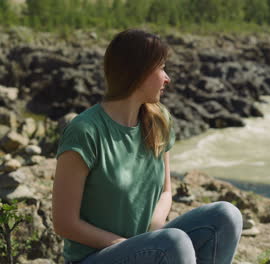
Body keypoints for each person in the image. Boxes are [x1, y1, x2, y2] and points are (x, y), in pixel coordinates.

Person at [52, 28, 243, 264]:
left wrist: (150, 239)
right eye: (161, 67)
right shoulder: (85, 131)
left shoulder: (159, 119)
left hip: (146, 247)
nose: (167, 77)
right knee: (172, 242)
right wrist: (133, 245)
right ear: (138, 72)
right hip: (94, 257)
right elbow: (64, 223)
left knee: (226, 215)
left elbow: (165, 192)